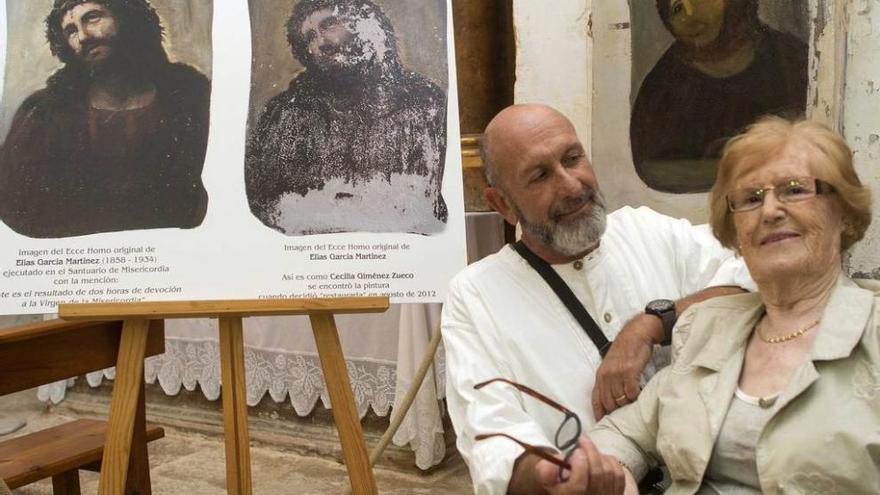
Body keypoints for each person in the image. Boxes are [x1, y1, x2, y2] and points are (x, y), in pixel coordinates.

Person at [442, 103, 753, 494]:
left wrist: (651, 324)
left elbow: (753, 281)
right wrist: (555, 474)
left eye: (573, 158)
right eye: (540, 176)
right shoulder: (477, 295)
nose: (572, 186)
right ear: (503, 204)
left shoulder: (648, 232)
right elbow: (492, 438)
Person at [578, 117, 879, 494]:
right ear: (735, 231)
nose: (770, 211)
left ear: (844, 213)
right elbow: (624, 432)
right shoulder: (706, 328)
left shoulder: (872, 333)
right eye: (751, 199)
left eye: (794, 190)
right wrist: (612, 470)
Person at [0, 0, 210, 238]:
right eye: (71, 31)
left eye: (92, 17)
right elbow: (19, 208)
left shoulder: (190, 93)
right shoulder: (43, 113)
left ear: (126, 16)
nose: (84, 36)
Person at [245, 0, 448, 235]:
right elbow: (266, 203)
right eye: (310, 37)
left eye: (329, 25)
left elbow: (427, 203)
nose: (321, 43)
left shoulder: (423, 100)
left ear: (366, 24)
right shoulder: (286, 112)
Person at [630, 0, 807, 193]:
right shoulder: (662, 86)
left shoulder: (789, 60)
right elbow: (653, 167)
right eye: (677, 8)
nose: (688, 15)